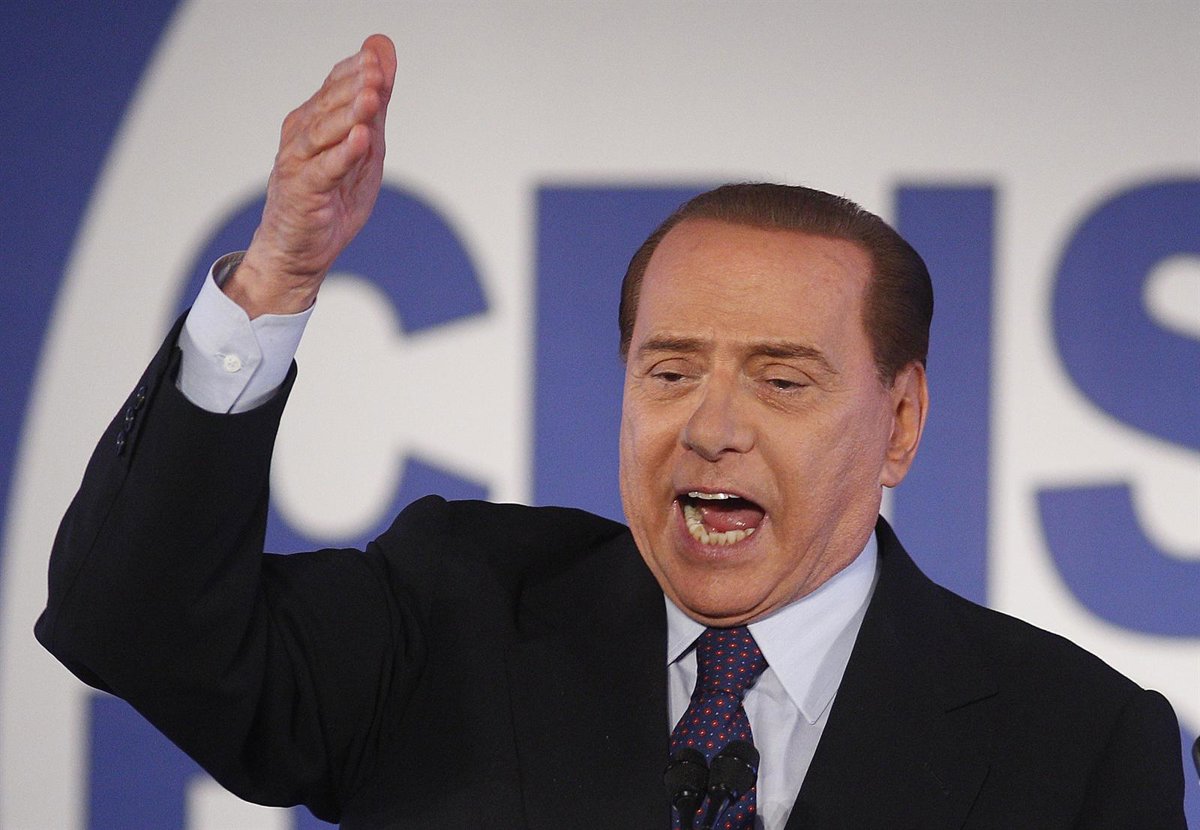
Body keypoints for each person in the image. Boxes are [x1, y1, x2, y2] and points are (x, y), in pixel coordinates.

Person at [37, 34, 1186, 829]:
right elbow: (130, 623)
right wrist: (275, 279)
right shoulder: (454, 614)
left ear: (900, 421)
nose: (712, 427)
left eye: (782, 380)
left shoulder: (1077, 743)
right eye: (671, 370)